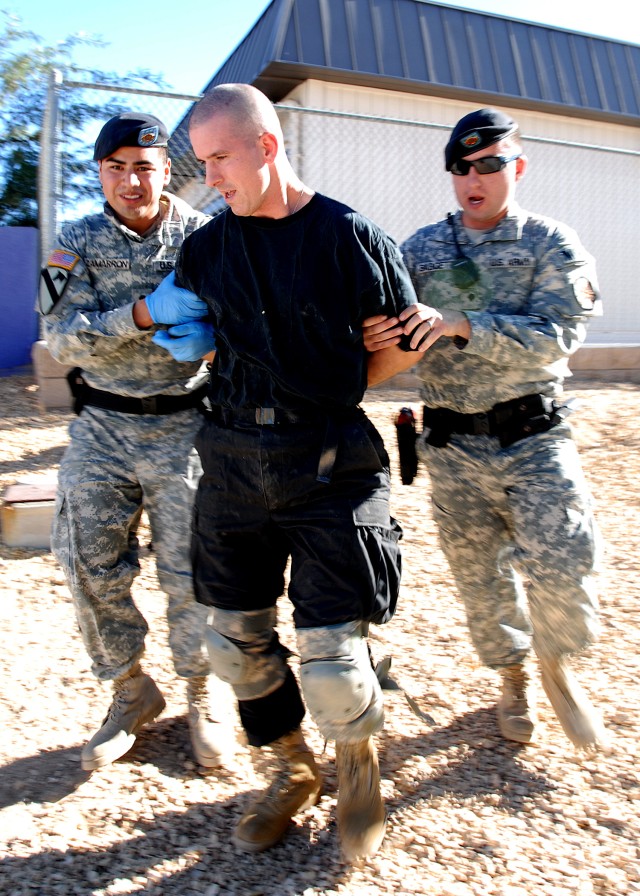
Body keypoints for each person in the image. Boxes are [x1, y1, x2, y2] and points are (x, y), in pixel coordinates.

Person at [147, 83, 419, 861]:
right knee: (235, 643)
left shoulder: (350, 238)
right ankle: (292, 771)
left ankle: (358, 767)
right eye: (201, 164)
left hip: (329, 460)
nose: (210, 179)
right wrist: (172, 331)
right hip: (231, 460)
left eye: (221, 158)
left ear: (267, 146)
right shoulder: (207, 246)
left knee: (331, 656)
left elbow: (386, 357)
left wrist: (388, 349)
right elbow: (197, 337)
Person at [364, 107, 607, 752]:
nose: (476, 177)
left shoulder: (550, 244)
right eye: (463, 168)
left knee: (564, 560)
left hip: (534, 436)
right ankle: (513, 680)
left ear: (517, 166)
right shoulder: (417, 251)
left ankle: (557, 664)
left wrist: (463, 323)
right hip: (452, 446)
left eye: (492, 164)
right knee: (479, 576)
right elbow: (384, 330)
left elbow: (558, 339)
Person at [38, 111, 234, 773]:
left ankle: (203, 693)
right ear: (100, 172)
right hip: (103, 426)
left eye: (144, 166)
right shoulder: (75, 241)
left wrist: (217, 339)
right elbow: (62, 337)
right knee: (87, 560)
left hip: (185, 422)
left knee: (193, 570)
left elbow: (247, 321)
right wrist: (142, 314)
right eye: (116, 166)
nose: (131, 179)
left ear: (165, 171)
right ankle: (130, 690)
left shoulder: (206, 236)